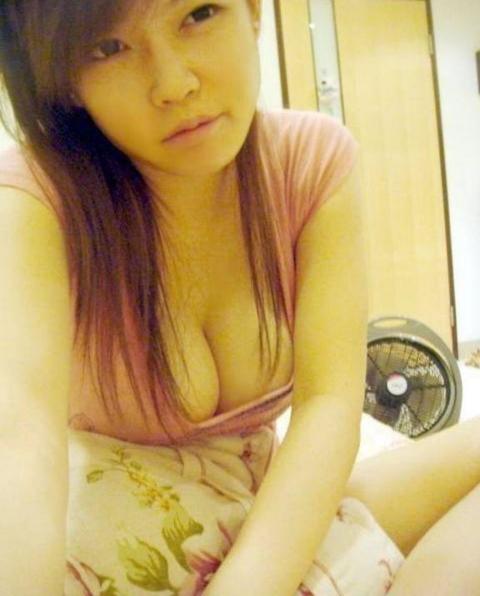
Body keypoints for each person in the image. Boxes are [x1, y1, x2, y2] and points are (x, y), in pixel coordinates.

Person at [0, 1, 479, 594]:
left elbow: (327, 406)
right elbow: (21, 439)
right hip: (136, 528)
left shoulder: (310, 163)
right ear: (66, 79)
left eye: (199, 14)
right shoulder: (38, 200)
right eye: (109, 48)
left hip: (262, 504)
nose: (174, 83)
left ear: (253, 11)